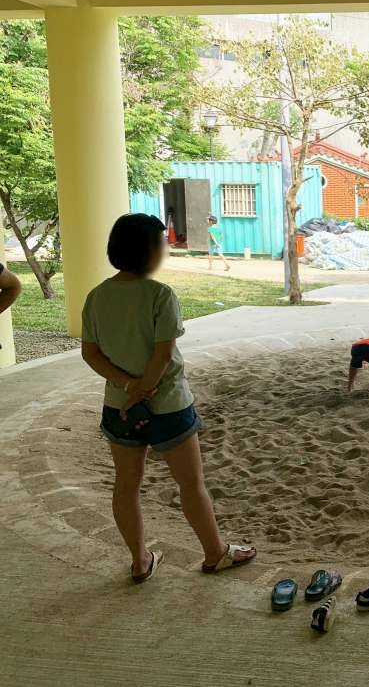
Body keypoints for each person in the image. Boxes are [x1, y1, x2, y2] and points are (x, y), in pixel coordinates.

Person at [80, 213, 256, 583]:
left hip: (119, 407)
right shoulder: (160, 295)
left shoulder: (97, 297)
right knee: (191, 483)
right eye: (162, 242)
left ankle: (140, 560)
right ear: (149, 251)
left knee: (126, 485)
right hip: (169, 405)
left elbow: (91, 354)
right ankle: (215, 554)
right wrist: (143, 390)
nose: (166, 248)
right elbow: (162, 355)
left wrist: (128, 390)